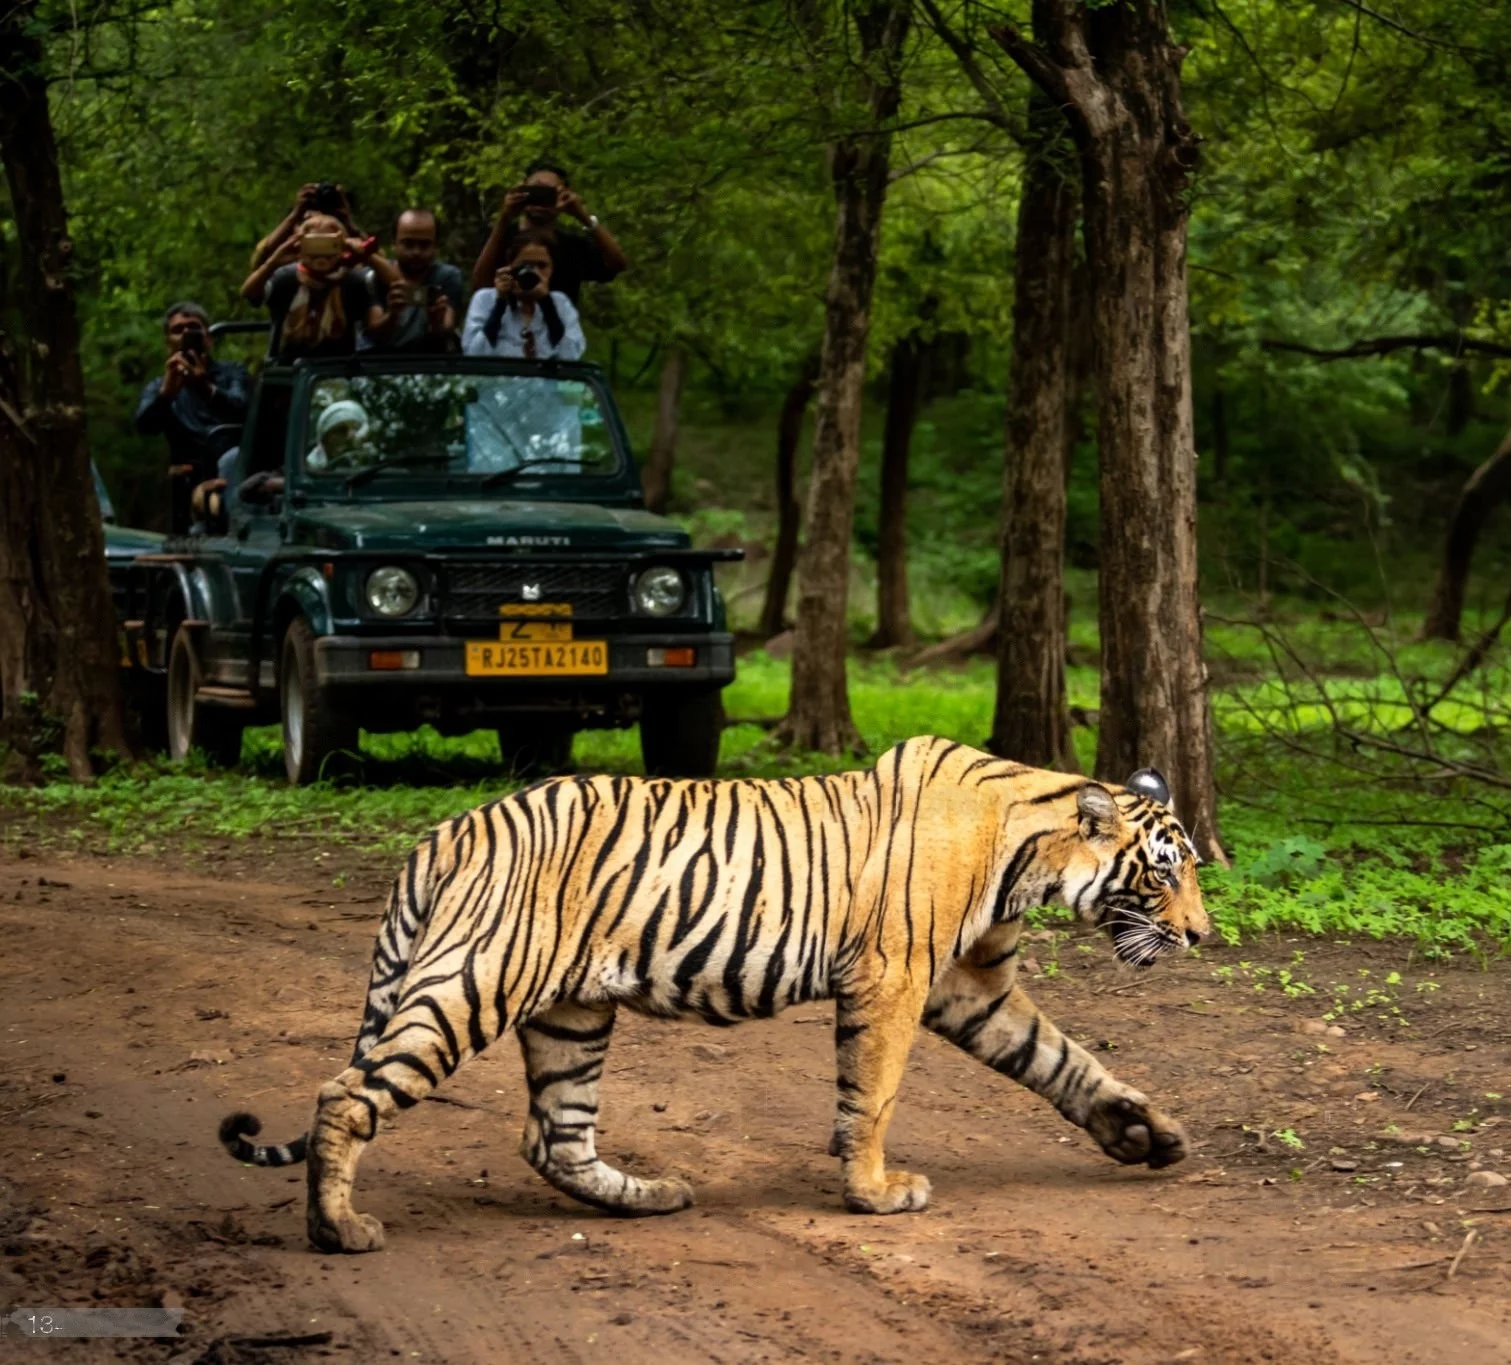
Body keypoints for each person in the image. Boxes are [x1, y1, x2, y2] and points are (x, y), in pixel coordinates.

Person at [134, 302, 250, 534]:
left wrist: (204, 387)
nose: (186, 335)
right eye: (178, 330)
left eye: (193, 328)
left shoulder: (233, 373)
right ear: (168, 341)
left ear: (208, 338)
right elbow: (145, 425)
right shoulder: (159, 386)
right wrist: (166, 395)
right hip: (189, 478)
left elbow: (243, 408)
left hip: (236, 471)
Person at [239, 214, 398, 363]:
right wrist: (274, 261)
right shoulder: (285, 277)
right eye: (314, 244)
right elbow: (248, 292)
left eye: (328, 244)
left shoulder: (353, 279)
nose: (321, 252)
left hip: (338, 370)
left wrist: (365, 255)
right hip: (288, 371)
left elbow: (397, 283)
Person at [470, 160, 627, 306]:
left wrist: (582, 215)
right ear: (523, 190)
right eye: (535, 191)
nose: (541, 200)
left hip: (559, 330)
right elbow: (479, 284)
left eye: (549, 194)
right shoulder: (499, 238)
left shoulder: (572, 246)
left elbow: (617, 264)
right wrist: (505, 217)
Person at [462, 232, 586, 360]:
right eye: (526, 265)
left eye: (542, 266)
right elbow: (473, 354)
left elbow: (572, 355)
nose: (534, 272)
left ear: (552, 269)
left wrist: (547, 305)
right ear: (510, 267)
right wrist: (500, 303)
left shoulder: (560, 303)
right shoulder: (485, 299)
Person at [361, 209, 463, 352]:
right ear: (393, 243)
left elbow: (446, 328)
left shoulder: (447, 276)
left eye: (424, 245)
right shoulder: (371, 277)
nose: (416, 252)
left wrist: (435, 320)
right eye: (408, 244)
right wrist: (392, 315)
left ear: (435, 246)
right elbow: (373, 333)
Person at [250, 181, 362, 270]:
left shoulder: (349, 253)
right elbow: (260, 262)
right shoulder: (290, 256)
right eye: (308, 223)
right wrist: (294, 215)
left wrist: (348, 222)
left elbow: (378, 268)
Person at [304, 399, 372, 471]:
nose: (350, 435)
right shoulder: (311, 466)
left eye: (355, 429)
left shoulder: (365, 458)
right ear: (327, 436)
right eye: (342, 430)